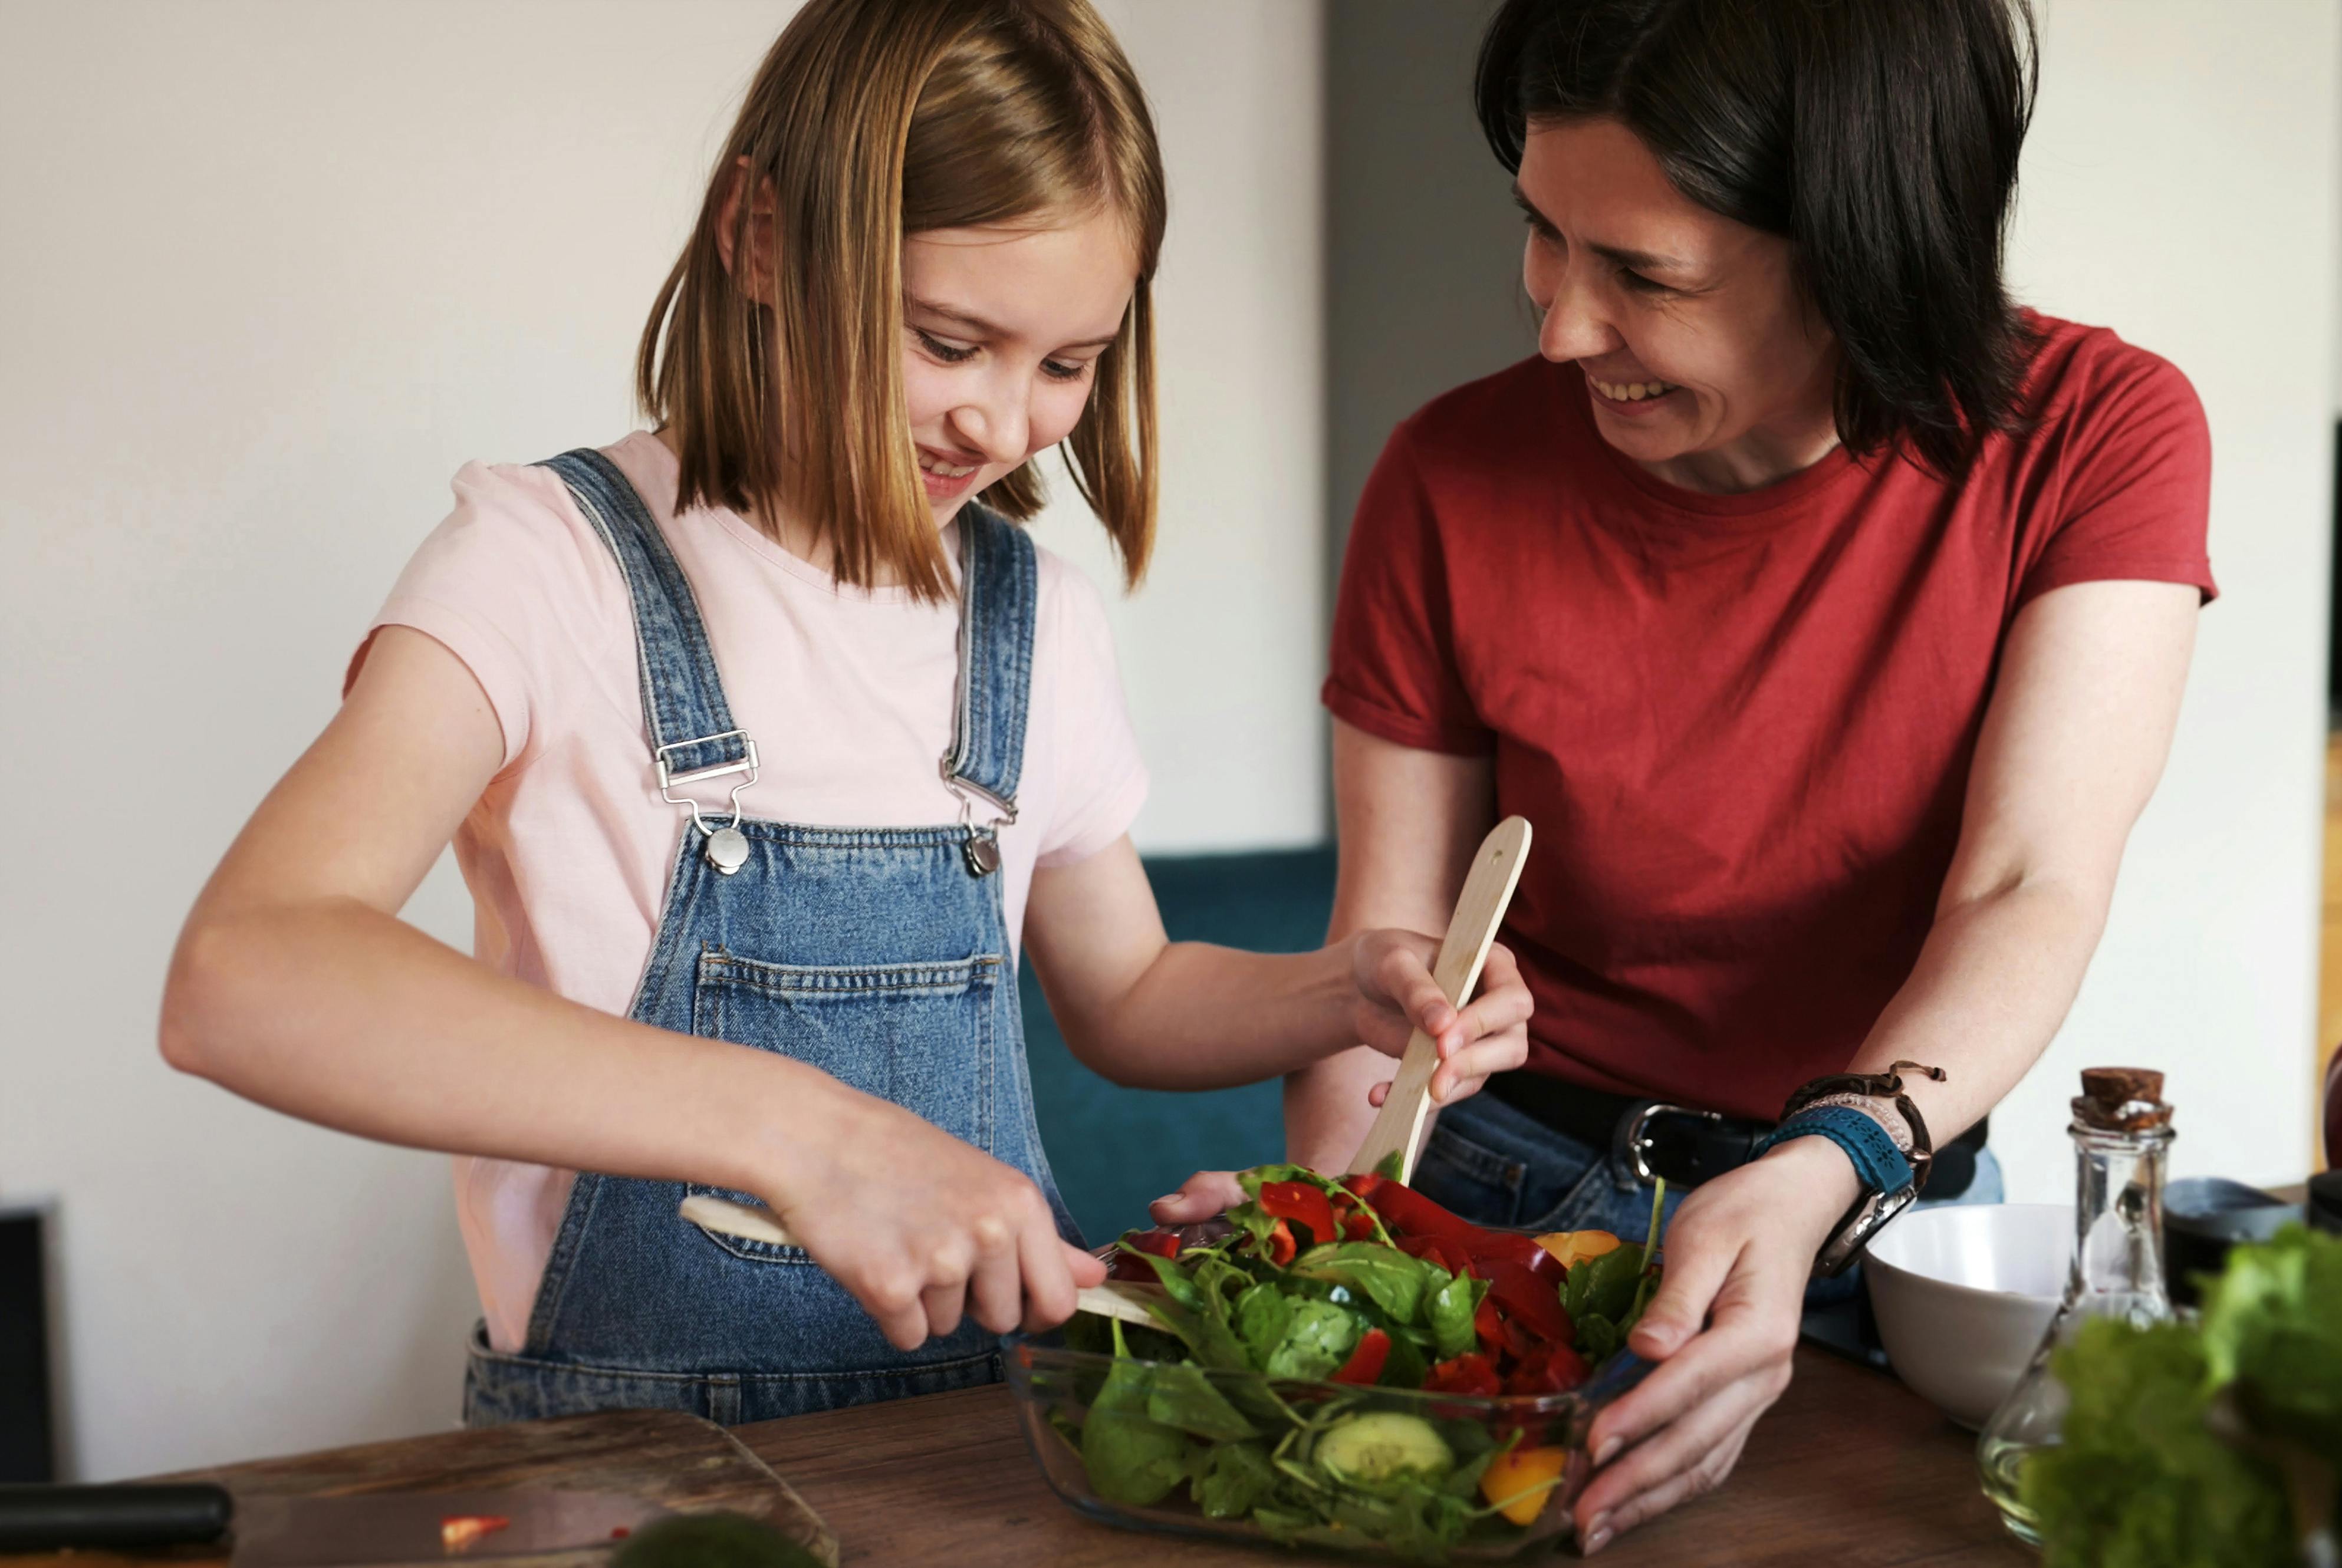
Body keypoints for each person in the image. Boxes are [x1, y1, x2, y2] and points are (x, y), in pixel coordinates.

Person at [157, 0, 1531, 1428]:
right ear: (762, 236)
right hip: (638, 1471)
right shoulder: (547, 565)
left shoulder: (1031, 616)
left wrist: (1350, 985)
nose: (1003, 428)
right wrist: (804, 1132)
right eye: (949, 341)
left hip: (983, 1444)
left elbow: (1124, 995)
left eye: (1068, 364)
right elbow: (246, 976)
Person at [1163, 0, 2209, 1551]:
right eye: (1541, 232)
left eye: (1642, 275)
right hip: (1498, 1198)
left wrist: (1819, 1168)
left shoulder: (2091, 433)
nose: (1559, 328)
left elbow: (2023, 882)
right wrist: (1327, 1242)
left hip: (1880, 1218)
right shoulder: (1445, 476)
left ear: (1862, 251)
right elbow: (1383, 944)